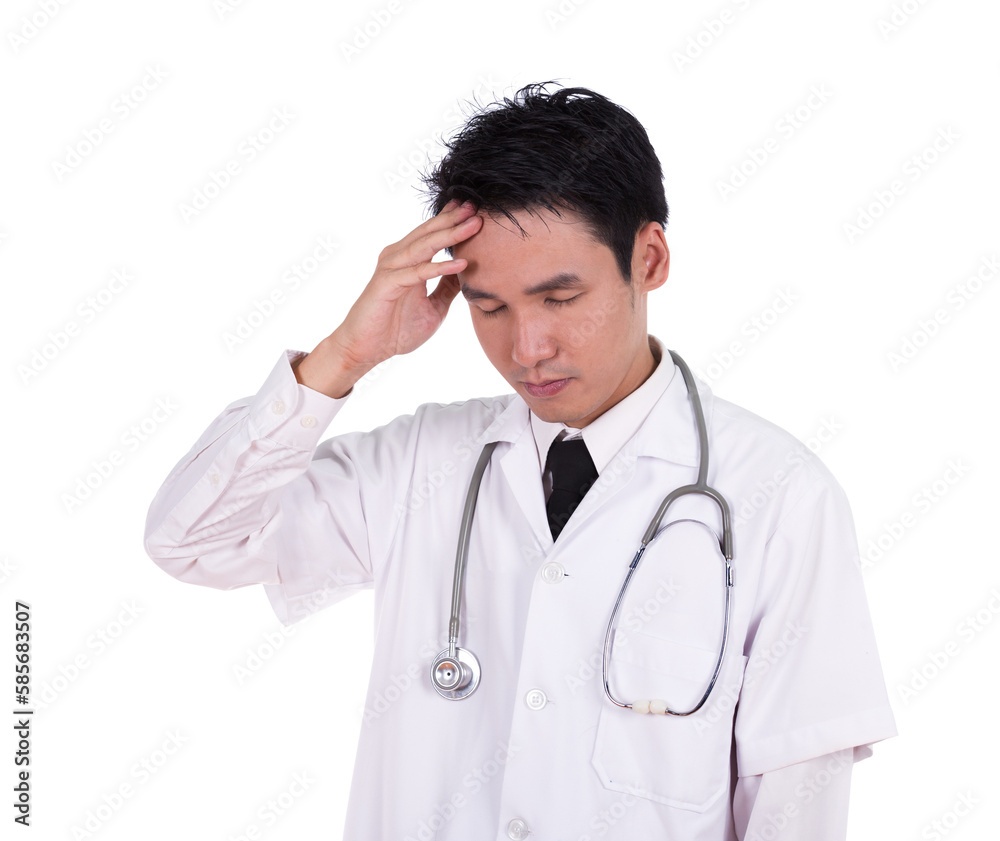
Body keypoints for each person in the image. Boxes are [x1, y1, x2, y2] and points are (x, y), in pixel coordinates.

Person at [143, 81, 897, 840]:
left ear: (649, 258)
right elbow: (192, 540)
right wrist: (343, 356)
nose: (526, 349)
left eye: (560, 298)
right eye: (489, 306)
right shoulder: (419, 464)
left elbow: (795, 810)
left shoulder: (778, 497)